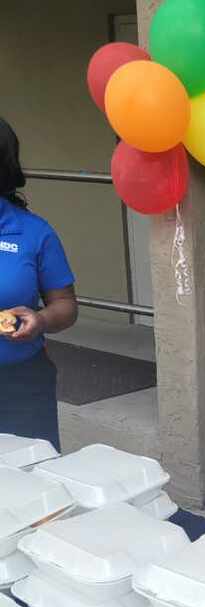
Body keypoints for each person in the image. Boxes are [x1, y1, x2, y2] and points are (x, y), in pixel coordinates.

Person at [0, 117, 77, 450]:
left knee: (34, 482)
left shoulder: (33, 231)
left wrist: (41, 319)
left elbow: (66, 306)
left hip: (21, 383)